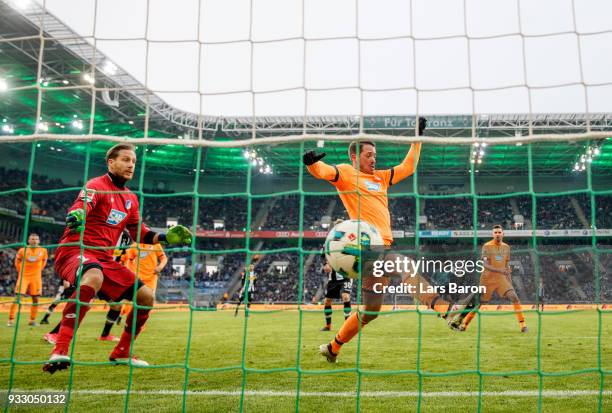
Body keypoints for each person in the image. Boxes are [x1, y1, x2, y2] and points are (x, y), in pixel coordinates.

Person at [304, 118, 475, 363]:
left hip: (380, 249)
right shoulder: (346, 172)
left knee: (371, 311)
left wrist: (417, 137)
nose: (374, 159)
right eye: (369, 155)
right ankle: (446, 310)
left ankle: (333, 347)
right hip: (367, 249)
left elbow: (408, 166)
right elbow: (324, 171)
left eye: (375, 155)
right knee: (405, 266)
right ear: (355, 157)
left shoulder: (381, 178)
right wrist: (311, 164)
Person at [43, 143, 192, 374]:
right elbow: (81, 206)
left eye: (133, 161)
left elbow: (139, 233)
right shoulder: (96, 186)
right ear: (111, 163)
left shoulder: (131, 198)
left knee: (146, 296)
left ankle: (121, 352)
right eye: (125, 159)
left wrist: (165, 236)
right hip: (75, 250)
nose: (131, 164)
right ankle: (60, 349)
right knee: (93, 276)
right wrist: (77, 214)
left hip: (104, 258)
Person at [450, 225, 528, 333]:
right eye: (495, 232)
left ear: (502, 234)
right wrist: (500, 271)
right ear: (492, 234)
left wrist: (509, 282)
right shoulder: (487, 246)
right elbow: (485, 265)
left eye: (499, 232)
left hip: (501, 279)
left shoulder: (506, 247)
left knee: (514, 297)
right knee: (478, 304)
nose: (497, 234)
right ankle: (464, 324)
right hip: (487, 279)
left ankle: (523, 326)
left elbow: (506, 265)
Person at [8, 233, 47, 327]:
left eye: (36, 239)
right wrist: (21, 271)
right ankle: (11, 320)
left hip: (36, 278)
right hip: (24, 277)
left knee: (36, 299)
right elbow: (17, 261)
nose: (34, 241)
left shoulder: (43, 250)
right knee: (18, 298)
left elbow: (44, 261)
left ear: (39, 241)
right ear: (28, 240)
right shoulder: (22, 250)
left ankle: (32, 320)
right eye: (32, 239)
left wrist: (38, 271)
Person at [320, 250, 352, 331]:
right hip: (333, 279)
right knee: (327, 301)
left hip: (346, 277)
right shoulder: (328, 242)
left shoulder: (348, 242)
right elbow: (323, 255)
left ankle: (347, 326)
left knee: (345, 296)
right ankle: (328, 326)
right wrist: (325, 264)